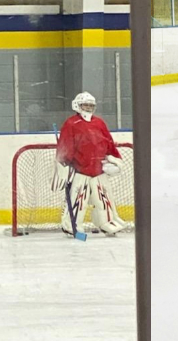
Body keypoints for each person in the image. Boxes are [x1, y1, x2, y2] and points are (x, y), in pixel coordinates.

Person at [52, 92, 127, 236]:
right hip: (80, 170)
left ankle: (107, 222)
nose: (88, 108)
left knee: (104, 198)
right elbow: (65, 145)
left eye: (91, 105)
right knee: (78, 200)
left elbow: (108, 143)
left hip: (98, 169)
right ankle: (71, 225)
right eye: (85, 105)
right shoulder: (71, 123)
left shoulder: (99, 123)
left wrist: (114, 159)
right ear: (77, 105)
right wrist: (63, 163)